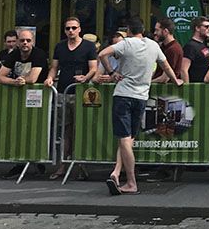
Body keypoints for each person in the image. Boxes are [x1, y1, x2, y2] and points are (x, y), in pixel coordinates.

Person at [98, 17, 181, 195]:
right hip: (142, 96)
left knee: (124, 138)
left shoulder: (126, 43)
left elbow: (102, 54)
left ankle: (131, 181)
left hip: (123, 94)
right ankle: (117, 172)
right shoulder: (153, 45)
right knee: (129, 138)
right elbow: (166, 66)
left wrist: (112, 72)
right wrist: (176, 81)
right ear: (142, 30)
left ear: (128, 30)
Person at [43, 17, 99, 179]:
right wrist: (50, 78)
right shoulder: (60, 46)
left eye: (74, 28)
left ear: (79, 29)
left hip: (81, 93)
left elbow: (93, 68)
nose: (71, 31)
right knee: (65, 130)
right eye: (68, 28)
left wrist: (85, 78)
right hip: (63, 92)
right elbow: (54, 67)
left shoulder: (88, 46)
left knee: (81, 129)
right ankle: (62, 166)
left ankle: (81, 165)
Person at [151, 18, 184, 83]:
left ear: (165, 31)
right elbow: (158, 70)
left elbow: (165, 78)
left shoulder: (173, 49)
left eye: (157, 30)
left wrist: (147, 82)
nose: (155, 33)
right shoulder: (163, 47)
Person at [180, 16, 209, 83]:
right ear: (197, 28)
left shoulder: (202, 45)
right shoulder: (190, 46)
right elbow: (183, 69)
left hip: (204, 85)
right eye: (206, 26)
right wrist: (187, 89)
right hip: (194, 86)